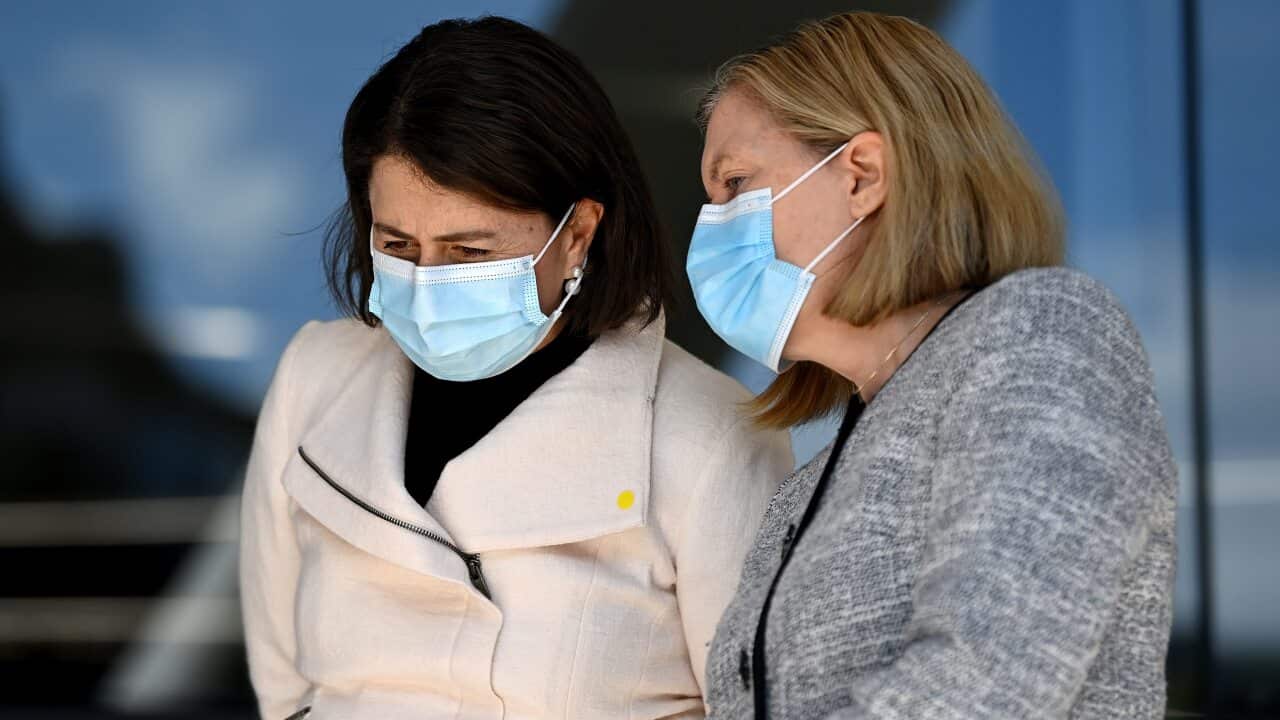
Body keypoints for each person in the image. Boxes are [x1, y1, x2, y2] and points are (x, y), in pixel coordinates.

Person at [239, 17, 793, 720]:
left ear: (579, 233)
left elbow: (755, 705)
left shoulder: (709, 437)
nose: (428, 281)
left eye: (470, 253)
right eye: (397, 243)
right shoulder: (317, 378)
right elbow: (284, 688)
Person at [687, 12, 1177, 720]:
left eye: (733, 184)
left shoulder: (1040, 334)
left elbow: (993, 673)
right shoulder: (814, 482)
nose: (711, 225)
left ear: (862, 177)